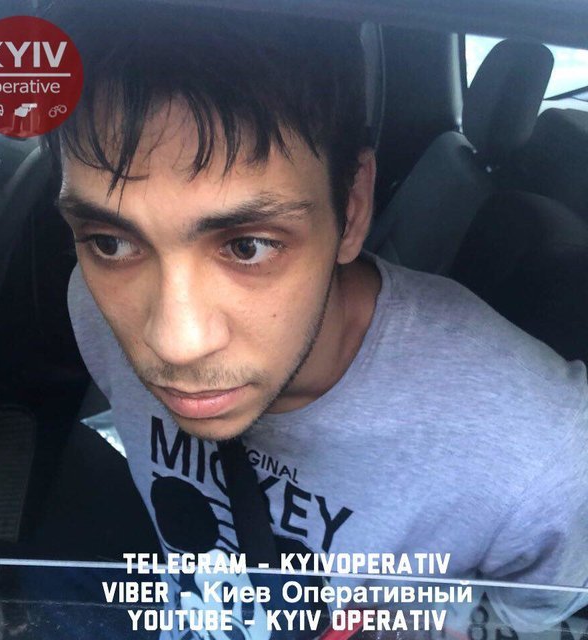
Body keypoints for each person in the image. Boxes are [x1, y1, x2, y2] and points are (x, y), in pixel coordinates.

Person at [50, 1, 588, 636]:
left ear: (352, 208)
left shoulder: (541, 451)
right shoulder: (92, 303)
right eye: (112, 242)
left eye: (248, 246)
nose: (174, 343)